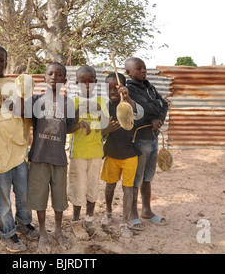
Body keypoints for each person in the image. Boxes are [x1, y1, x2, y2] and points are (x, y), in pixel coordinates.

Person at [0, 45, 37, 253]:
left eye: (0, 60)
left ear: (5, 61)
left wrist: (19, 104)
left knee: (23, 192)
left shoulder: (14, 84)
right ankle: (7, 233)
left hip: (19, 149)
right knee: (2, 195)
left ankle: (24, 223)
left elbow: (27, 113)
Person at [25, 61, 89, 252]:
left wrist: (79, 124)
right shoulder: (35, 101)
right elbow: (20, 112)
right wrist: (22, 89)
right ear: (44, 78)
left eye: (59, 74)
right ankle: (43, 232)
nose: (54, 77)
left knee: (59, 199)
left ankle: (58, 231)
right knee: (39, 198)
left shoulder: (68, 103)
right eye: (50, 74)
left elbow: (67, 127)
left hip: (59, 158)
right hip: (38, 157)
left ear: (65, 80)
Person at [125, 57, 169, 227]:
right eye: (139, 68)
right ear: (129, 72)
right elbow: (141, 109)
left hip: (153, 138)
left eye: (144, 68)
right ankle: (133, 213)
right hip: (140, 138)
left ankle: (147, 210)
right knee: (136, 178)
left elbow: (163, 104)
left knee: (147, 177)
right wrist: (152, 115)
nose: (144, 71)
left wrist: (158, 119)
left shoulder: (150, 87)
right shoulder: (129, 90)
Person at [100, 72, 144, 239]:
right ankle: (109, 213)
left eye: (116, 87)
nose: (112, 91)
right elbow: (101, 133)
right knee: (109, 186)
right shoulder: (104, 106)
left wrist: (128, 97)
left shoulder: (129, 105)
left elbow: (139, 114)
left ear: (123, 87)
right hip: (111, 153)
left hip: (130, 154)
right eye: (108, 88)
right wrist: (106, 130)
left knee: (128, 189)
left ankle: (125, 222)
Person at [68, 65, 108, 240]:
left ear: (95, 83)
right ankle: (76, 222)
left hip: (96, 152)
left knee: (92, 188)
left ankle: (89, 221)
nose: (87, 85)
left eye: (90, 81)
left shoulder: (102, 101)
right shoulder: (72, 101)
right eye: (83, 82)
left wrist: (98, 110)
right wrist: (80, 109)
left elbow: (106, 125)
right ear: (77, 83)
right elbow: (69, 127)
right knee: (79, 188)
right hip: (78, 154)